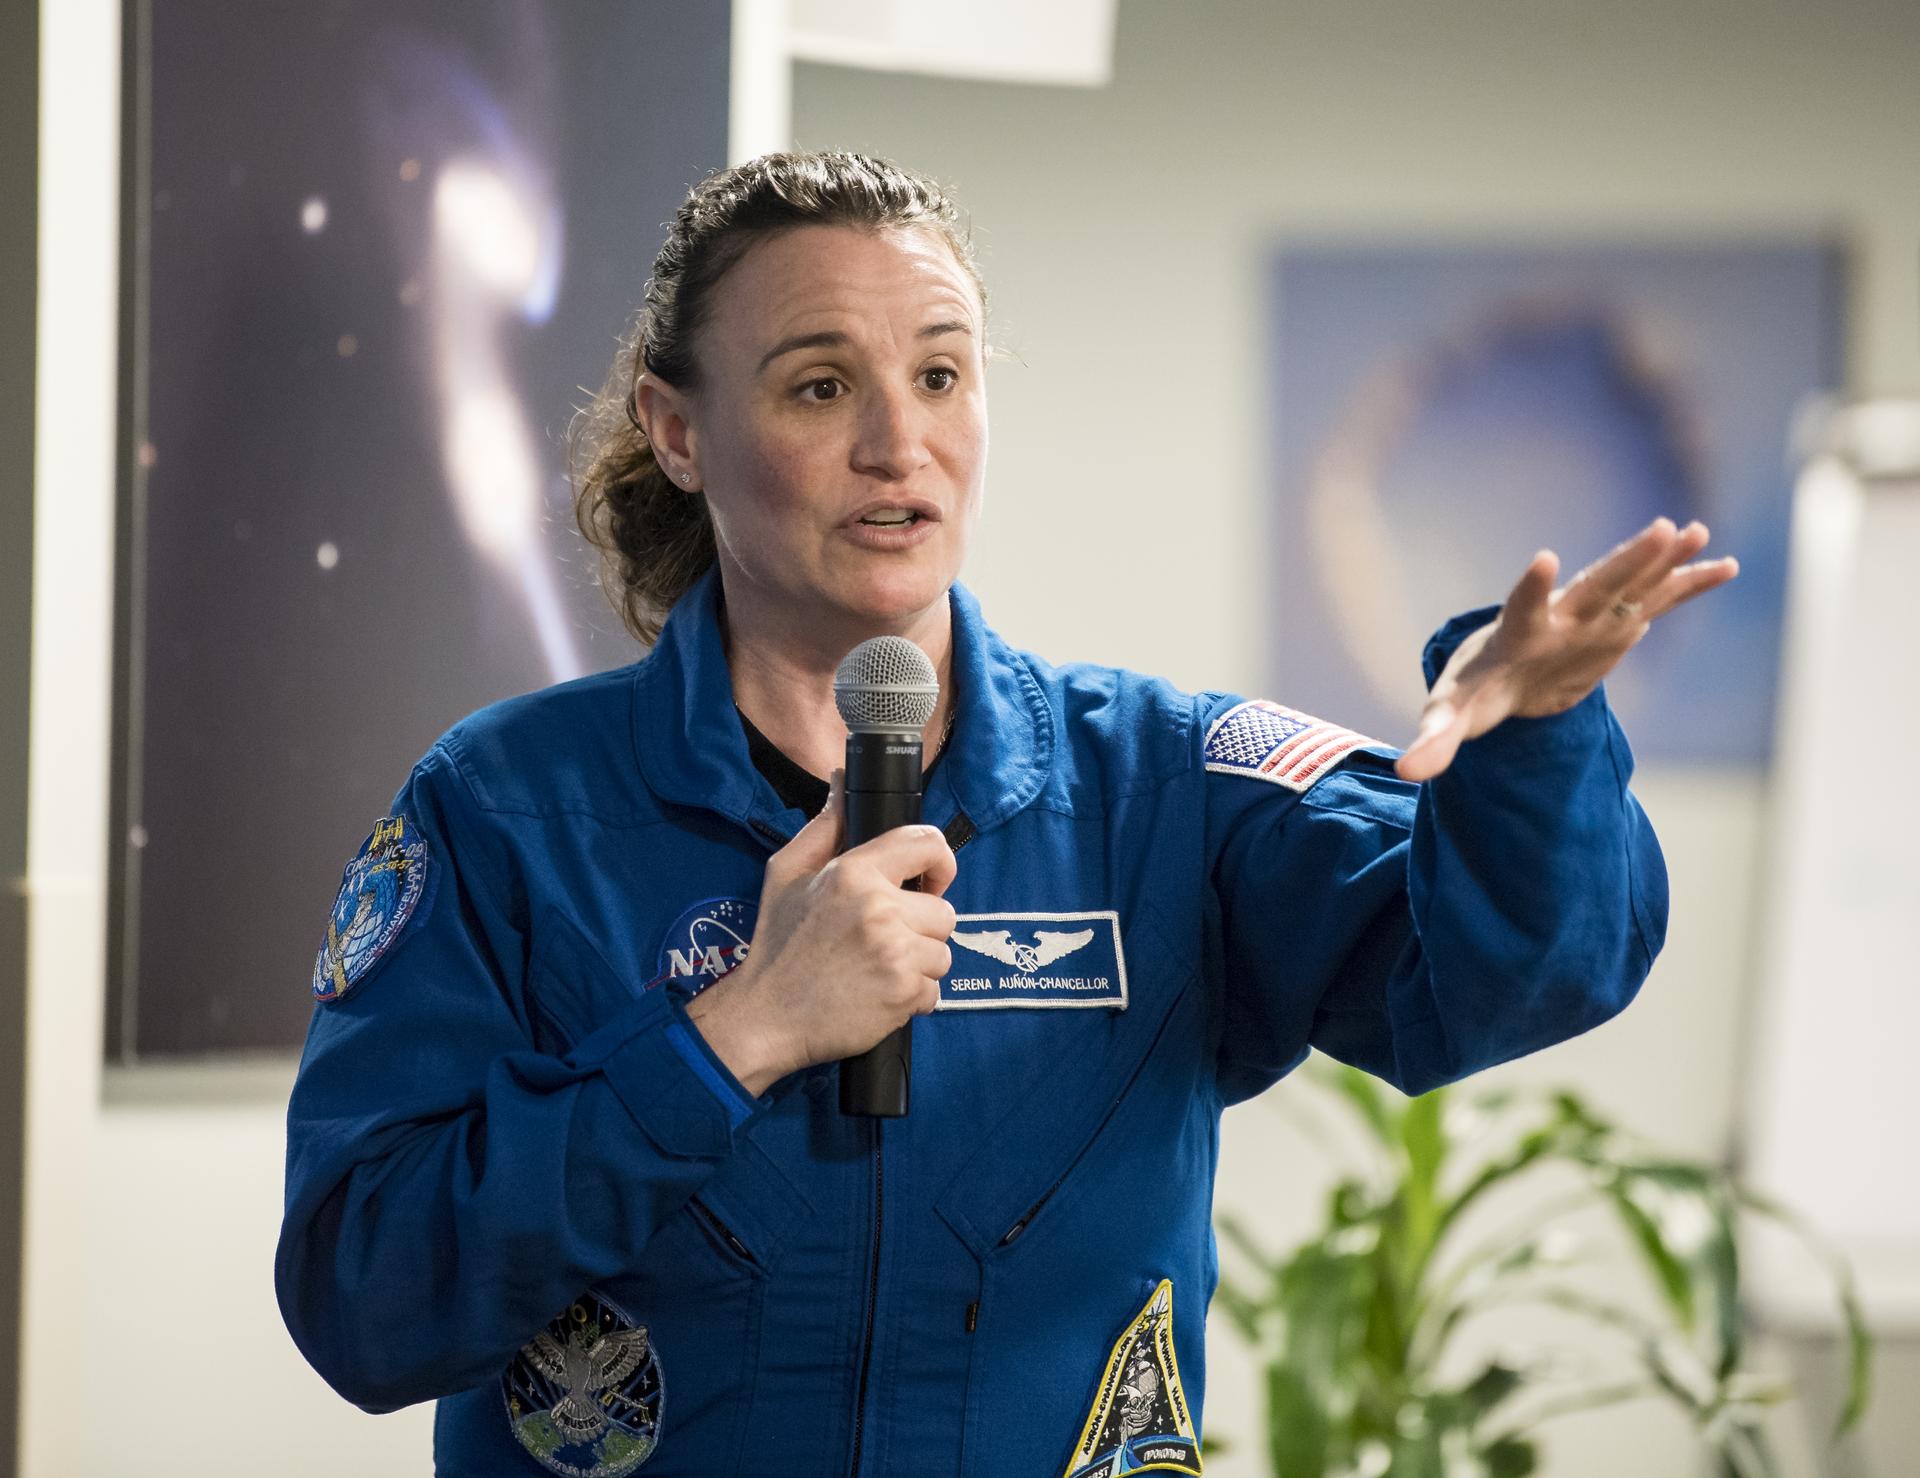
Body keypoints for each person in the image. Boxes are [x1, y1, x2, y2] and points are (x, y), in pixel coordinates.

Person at [275, 151, 1738, 1478]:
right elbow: (363, 1298)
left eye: (942, 376)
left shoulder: (1164, 785)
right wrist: (737, 1036)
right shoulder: (509, 811)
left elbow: (1504, 977)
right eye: (818, 385)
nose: (897, 445)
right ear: (676, 430)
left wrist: (1533, 741)